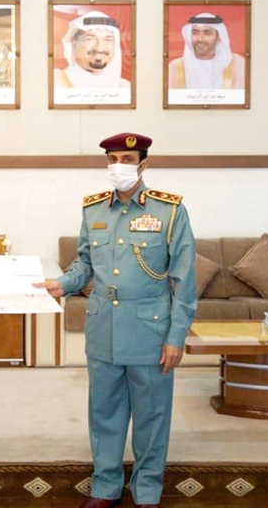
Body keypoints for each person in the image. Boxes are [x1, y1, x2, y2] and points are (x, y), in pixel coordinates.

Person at [36, 133, 197, 508]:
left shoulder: (170, 211)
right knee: (104, 413)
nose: (118, 166)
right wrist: (61, 283)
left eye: (127, 159)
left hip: (150, 330)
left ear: (143, 164)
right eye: (112, 159)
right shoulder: (93, 210)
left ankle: (147, 490)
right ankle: (105, 487)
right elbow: (84, 264)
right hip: (103, 327)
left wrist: (176, 337)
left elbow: (184, 281)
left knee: (151, 415)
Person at [53, 11, 130, 89]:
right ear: (73, 41)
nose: (99, 48)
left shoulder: (124, 87)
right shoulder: (55, 80)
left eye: (108, 40)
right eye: (90, 39)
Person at [167, 13, 245, 89]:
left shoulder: (237, 63)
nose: (200, 39)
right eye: (195, 33)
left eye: (207, 33)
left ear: (218, 37)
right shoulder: (175, 67)